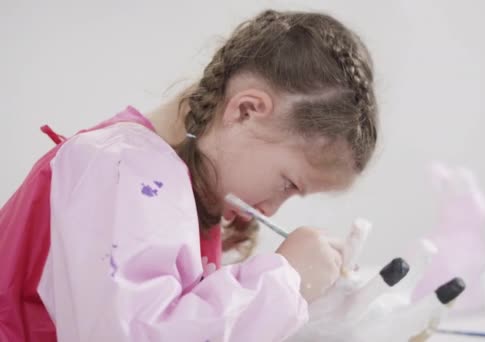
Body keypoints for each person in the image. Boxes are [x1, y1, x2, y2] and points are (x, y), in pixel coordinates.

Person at [0, 9, 377, 341]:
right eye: (288, 184)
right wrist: (283, 282)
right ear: (245, 111)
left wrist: (307, 317)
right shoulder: (123, 170)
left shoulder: (162, 184)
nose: (273, 209)